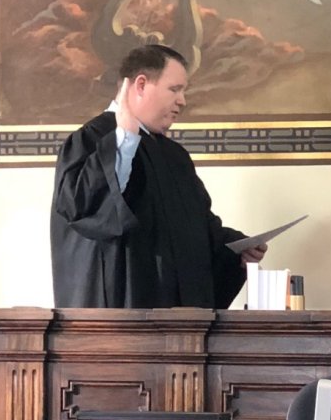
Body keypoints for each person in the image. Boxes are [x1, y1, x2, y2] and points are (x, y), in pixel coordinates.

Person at [50, 44, 266, 308]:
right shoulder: (91, 140)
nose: (182, 101)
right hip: (118, 324)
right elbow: (84, 209)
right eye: (174, 89)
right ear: (141, 85)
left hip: (179, 328)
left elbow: (195, 228)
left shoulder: (174, 156)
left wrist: (235, 248)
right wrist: (124, 140)